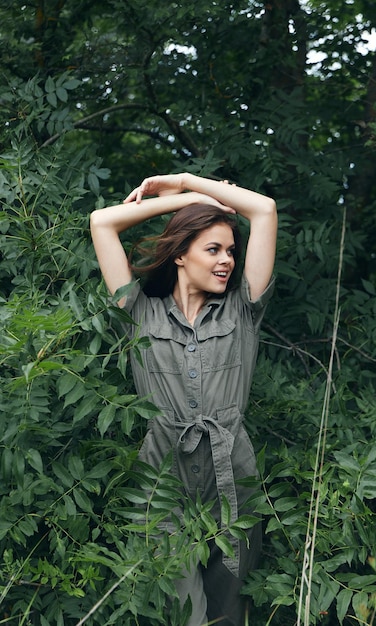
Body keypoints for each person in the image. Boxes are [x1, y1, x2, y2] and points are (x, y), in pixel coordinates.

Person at [90, 172, 277, 626]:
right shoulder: (137, 312)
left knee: (229, 613)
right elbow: (101, 222)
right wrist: (191, 199)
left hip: (234, 474)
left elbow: (264, 210)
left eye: (231, 250)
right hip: (161, 479)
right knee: (183, 615)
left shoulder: (243, 308)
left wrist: (186, 180)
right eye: (213, 249)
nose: (227, 260)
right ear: (179, 254)